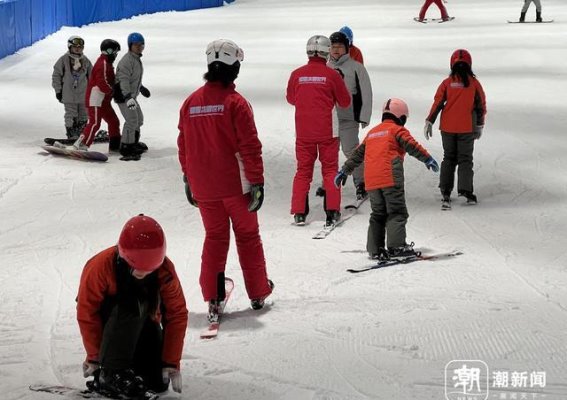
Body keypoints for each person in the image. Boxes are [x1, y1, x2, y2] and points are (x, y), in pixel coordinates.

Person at [177, 39, 273, 316]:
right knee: (248, 237)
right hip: (236, 187)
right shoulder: (236, 103)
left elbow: (183, 145)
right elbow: (249, 146)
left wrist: (188, 178)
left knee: (215, 238)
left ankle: (213, 297)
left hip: (204, 188)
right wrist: (257, 182)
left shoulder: (190, 102)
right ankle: (258, 292)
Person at [77, 215, 188, 398]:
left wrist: (170, 362)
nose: (143, 273)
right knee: (135, 301)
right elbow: (87, 312)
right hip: (111, 331)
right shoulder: (100, 266)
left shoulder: (165, 271)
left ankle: (128, 368)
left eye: (149, 270)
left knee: (157, 384)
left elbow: (177, 314)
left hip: (142, 326)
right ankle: (111, 373)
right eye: (138, 269)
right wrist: (95, 357)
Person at [335, 99, 439, 260]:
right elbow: (412, 146)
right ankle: (397, 247)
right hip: (390, 178)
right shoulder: (397, 130)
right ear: (401, 117)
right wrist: (427, 159)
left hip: (371, 181)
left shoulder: (373, 133)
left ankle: (374, 249)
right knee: (396, 212)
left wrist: (344, 171)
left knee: (378, 214)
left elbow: (357, 154)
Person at [286, 35, 351, 226]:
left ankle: (299, 212)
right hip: (328, 132)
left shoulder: (296, 74)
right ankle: (332, 210)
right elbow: (345, 102)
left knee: (303, 171)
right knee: (330, 170)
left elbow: (291, 99)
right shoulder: (332, 75)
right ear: (327, 51)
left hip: (304, 131)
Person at [424, 49, 486, 206]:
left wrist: (429, 121)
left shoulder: (447, 83)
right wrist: (479, 125)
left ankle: (445, 190)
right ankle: (466, 190)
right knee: (465, 159)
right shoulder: (474, 83)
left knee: (449, 158)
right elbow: (481, 106)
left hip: (448, 128)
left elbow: (437, 103)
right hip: (467, 128)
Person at [328, 31, 373, 200]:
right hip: (329, 118)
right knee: (329, 153)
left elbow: (366, 92)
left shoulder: (356, 68)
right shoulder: (325, 67)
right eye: (333, 47)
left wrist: (364, 116)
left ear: (347, 48)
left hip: (348, 118)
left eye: (340, 47)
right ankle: (329, 183)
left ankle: (361, 182)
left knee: (351, 150)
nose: (336, 50)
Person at [72, 39, 122, 152]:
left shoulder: (107, 63)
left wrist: (117, 88)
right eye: (115, 52)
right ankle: (81, 145)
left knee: (113, 121)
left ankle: (115, 145)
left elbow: (110, 80)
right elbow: (102, 83)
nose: (116, 55)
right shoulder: (103, 63)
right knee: (95, 123)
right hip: (95, 99)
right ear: (109, 51)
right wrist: (112, 91)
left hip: (104, 101)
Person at [114, 32, 151, 160]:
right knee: (132, 120)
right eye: (136, 45)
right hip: (124, 97)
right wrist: (128, 97)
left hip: (131, 97)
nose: (139, 47)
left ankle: (133, 142)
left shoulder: (135, 59)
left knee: (139, 119)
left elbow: (133, 79)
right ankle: (126, 146)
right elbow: (123, 80)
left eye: (142, 44)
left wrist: (141, 87)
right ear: (130, 45)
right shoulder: (127, 61)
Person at [52, 36, 92, 139]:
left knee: (84, 114)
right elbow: (56, 75)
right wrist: (58, 91)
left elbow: (92, 76)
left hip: (83, 94)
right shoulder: (63, 60)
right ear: (70, 47)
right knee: (71, 114)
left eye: (80, 47)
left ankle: (81, 132)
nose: (78, 49)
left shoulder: (85, 60)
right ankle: (71, 134)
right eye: (75, 47)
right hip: (69, 94)